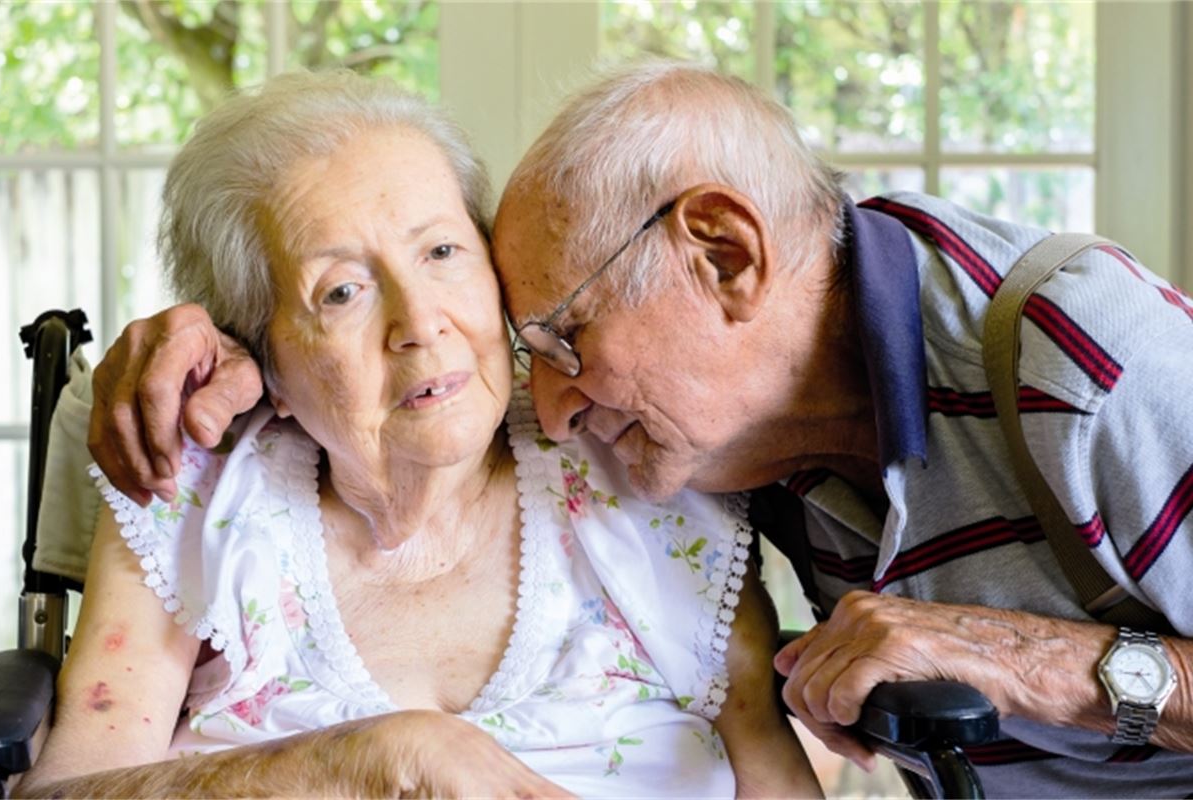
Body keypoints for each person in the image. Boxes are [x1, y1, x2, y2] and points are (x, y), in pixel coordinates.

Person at [83, 61, 1193, 797]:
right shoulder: (710, 432)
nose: (552, 410)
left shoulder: (1090, 363)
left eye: (562, 336)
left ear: (724, 256)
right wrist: (197, 339)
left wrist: (1039, 660)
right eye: (338, 294)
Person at [17, 69, 823, 799]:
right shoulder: (199, 498)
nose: (419, 323)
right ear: (262, 358)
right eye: (341, 292)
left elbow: (778, 783)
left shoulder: (638, 468)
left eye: (441, 251)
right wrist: (357, 761)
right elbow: (63, 792)